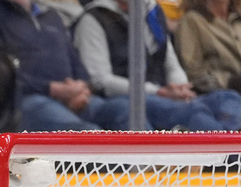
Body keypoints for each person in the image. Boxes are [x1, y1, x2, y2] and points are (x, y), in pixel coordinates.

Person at [74, 0, 241, 131]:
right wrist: (158, 92)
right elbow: (100, 80)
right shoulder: (94, 18)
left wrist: (180, 87)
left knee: (227, 99)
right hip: (121, 98)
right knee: (193, 114)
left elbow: (170, 62)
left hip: (164, 94)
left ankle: (227, 153)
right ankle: (225, 158)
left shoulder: (152, 13)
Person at [0, 0, 134, 132]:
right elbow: (0, 75)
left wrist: (81, 88)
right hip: (24, 101)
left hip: (72, 96)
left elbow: (75, 61)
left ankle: (145, 168)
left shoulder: (51, 16)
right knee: (89, 134)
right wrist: (54, 89)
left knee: (128, 112)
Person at [174, 0, 241, 95]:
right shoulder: (192, 21)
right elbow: (194, 74)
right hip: (221, 95)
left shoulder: (237, 19)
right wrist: (231, 82)